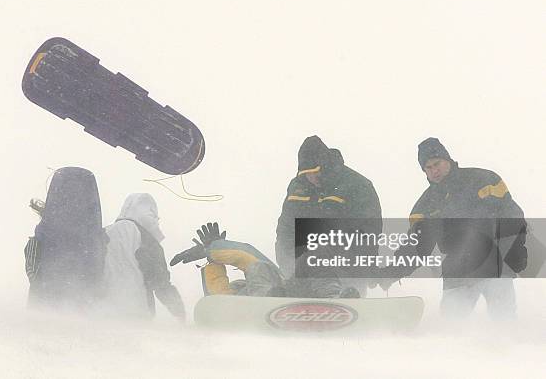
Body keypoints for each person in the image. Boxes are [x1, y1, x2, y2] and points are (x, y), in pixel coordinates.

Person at [381, 137, 527, 320]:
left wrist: (516, 250)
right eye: (429, 168)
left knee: (504, 322)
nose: (435, 171)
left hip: (495, 265)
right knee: (451, 328)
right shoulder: (426, 205)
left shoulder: (484, 180)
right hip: (458, 271)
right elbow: (417, 246)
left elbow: (512, 217)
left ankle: (507, 346)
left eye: (437, 163)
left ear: (447, 159)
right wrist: (391, 272)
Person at [275, 135, 383, 297]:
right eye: (306, 173)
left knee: (320, 251)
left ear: (325, 166)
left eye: (315, 172)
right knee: (264, 266)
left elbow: (369, 234)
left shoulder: (357, 185)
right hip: (304, 269)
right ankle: (286, 296)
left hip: (346, 268)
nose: (312, 178)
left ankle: (335, 298)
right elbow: (285, 231)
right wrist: (289, 265)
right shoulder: (297, 188)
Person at [171, 222, 360, 298]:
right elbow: (216, 296)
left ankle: (335, 300)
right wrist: (212, 262)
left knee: (313, 257)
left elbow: (246, 254)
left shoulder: (267, 274)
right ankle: (268, 300)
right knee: (260, 268)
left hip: (289, 291)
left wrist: (213, 248)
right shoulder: (235, 295)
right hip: (269, 298)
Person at [24, 167, 108, 311]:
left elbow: (32, 262)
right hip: (84, 306)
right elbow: (98, 267)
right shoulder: (93, 232)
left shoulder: (47, 228)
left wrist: (39, 286)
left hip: (45, 304)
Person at [102, 193, 185, 321]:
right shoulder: (145, 238)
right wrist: (179, 312)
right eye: (154, 216)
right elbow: (159, 281)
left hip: (104, 310)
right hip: (137, 311)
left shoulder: (104, 233)